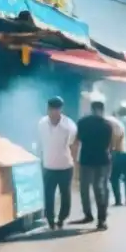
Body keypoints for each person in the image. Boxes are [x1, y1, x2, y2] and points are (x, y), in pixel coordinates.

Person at [73, 100, 114, 230]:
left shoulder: (82, 123)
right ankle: (101, 220)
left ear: (92, 109)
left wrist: (75, 159)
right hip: (102, 160)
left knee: (84, 188)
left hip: (86, 160)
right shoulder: (107, 125)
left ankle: (88, 215)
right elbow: (109, 145)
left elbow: (77, 141)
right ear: (102, 110)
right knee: (99, 189)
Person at [37, 97, 76, 230]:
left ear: (60, 110)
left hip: (65, 166)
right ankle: (50, 220)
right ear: (48, 109)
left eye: (56, 110)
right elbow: (39, 143)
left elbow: (72, 145)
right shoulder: (41, 123)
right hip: (48, 166)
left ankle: (62, 218)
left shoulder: (69, 125)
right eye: (51, 110)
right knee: (48, 195)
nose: (53, 112)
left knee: (65, 194)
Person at [107, 110, 126, 207]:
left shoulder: (108, 122)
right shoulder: (119, 123)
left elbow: (113, 138)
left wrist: (111, 149)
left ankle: (118, 200)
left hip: (117, 153)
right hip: (124, 152)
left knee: (114, 177)